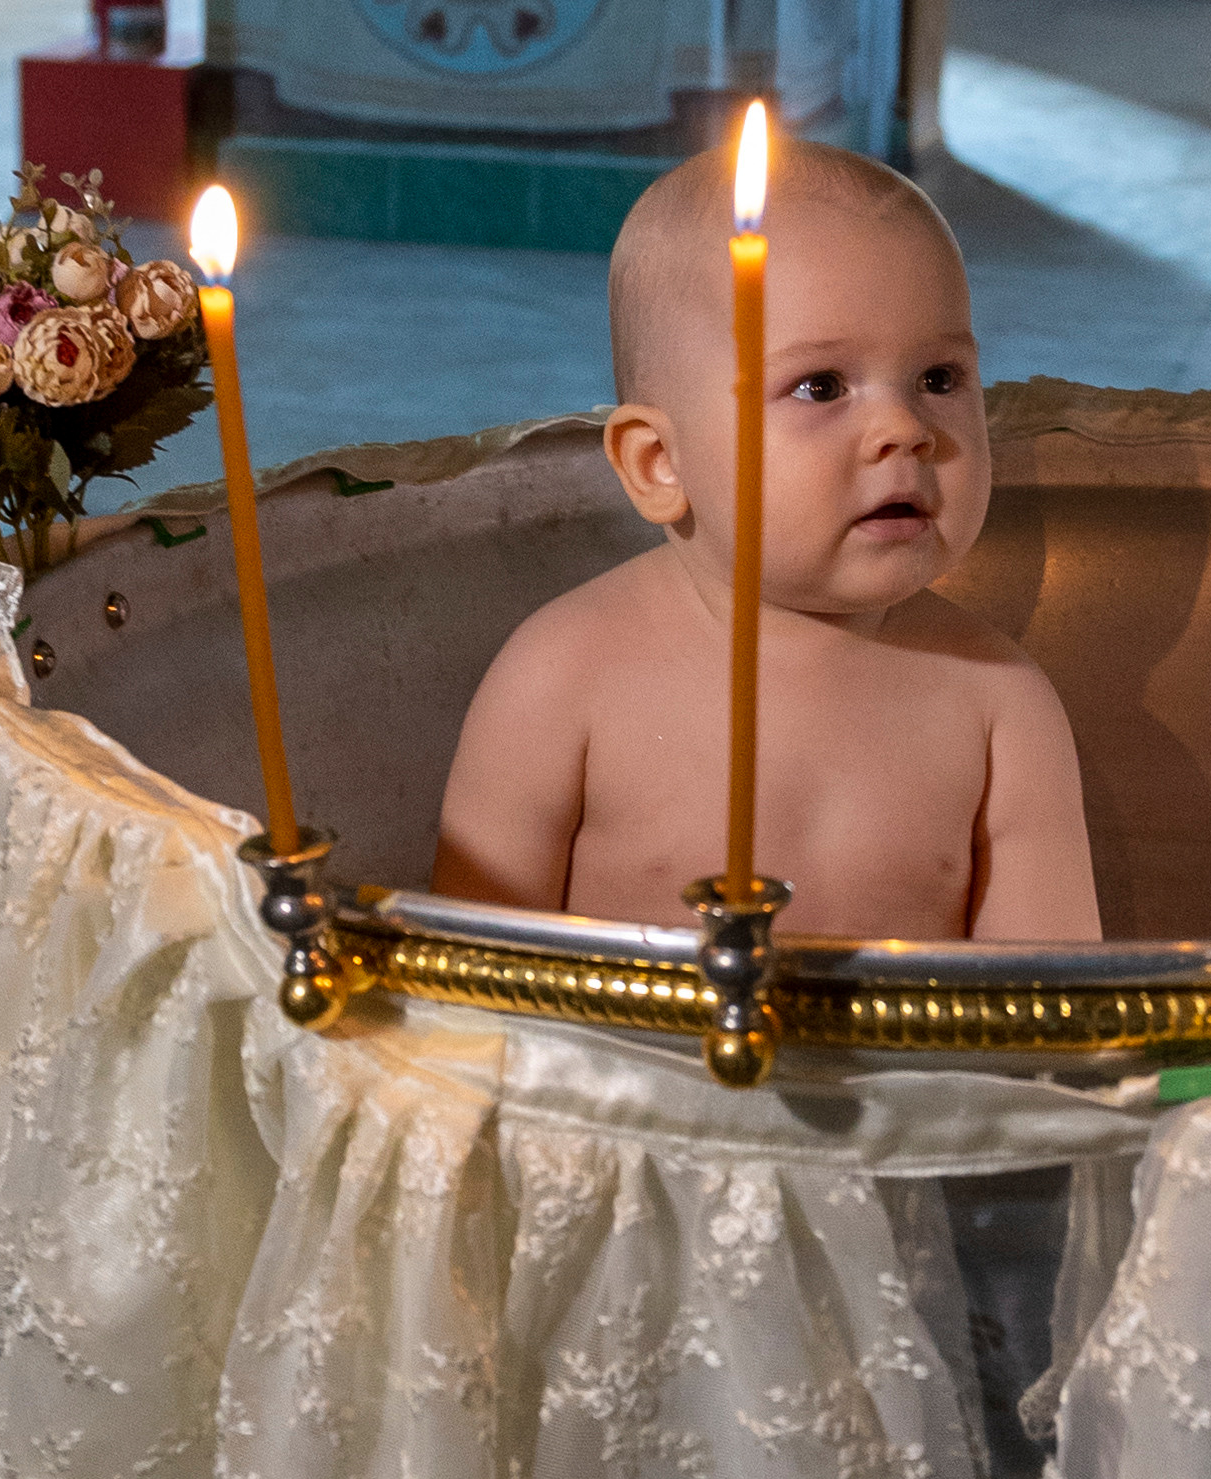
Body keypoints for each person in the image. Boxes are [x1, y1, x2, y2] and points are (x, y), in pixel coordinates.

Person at [431, 139, 1100, 943]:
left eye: (939, 378)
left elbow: (1049, 1010)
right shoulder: (562, 679)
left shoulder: (1000, 707)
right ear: (658, 463)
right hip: (614, 1070)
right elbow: (466, 992)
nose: (906, 429)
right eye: (820, 386)